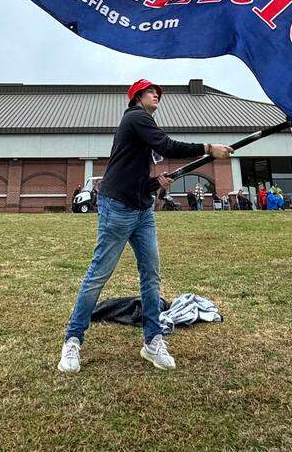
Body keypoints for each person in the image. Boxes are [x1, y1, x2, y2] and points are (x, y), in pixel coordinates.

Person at [58, 79, 233, 374]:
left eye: (158, 93)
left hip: (142, 208)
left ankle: (152, 341)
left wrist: (155, 182)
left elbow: (134, 171)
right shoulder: (136, 117)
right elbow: (167, 145)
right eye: (151, 91)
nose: (157, 95)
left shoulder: (142, 127)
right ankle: (73, 339)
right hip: (117, 208)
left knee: (151, 275)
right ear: (137, 96)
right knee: (99, 274)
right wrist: (208, 148)